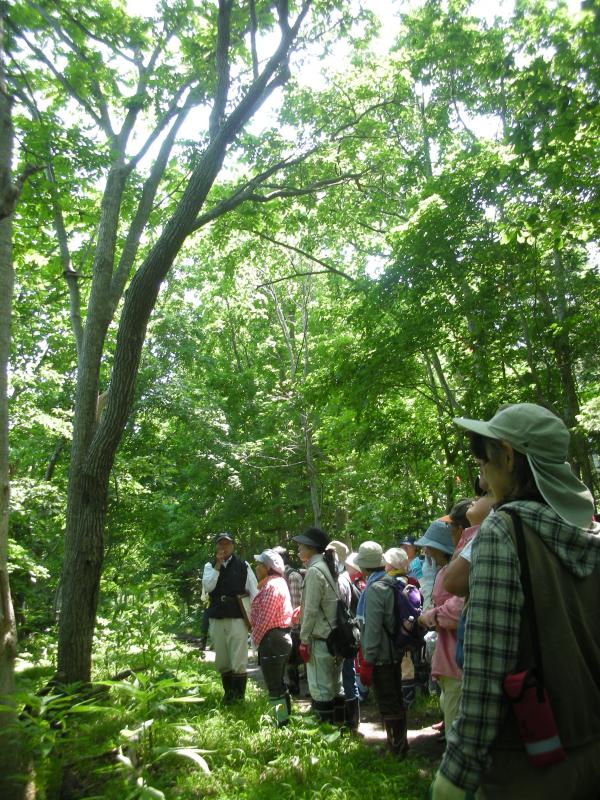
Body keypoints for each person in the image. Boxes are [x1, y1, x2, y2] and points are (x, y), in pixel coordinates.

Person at [431, 403, 600, 800]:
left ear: (507, 456)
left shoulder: (502, 533)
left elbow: (487, 668)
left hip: (527, 764)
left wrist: (455, 776)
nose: (483, 476)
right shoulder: (591, 534)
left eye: (484, 461)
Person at [355, 540, 409, 756]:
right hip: (394, 651)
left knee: (388, 701)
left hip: (382, 656)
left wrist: (367, 660)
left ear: (363, 567)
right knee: (395, 698)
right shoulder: (391, 582)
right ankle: (400, 744)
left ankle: (396, 749)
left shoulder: (375, 589)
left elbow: (373, 629)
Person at [292, 526, 343, 724]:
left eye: (301, 545)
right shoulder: (327, 566)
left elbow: (311, 610)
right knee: (333, 688)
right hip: (333, 637)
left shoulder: (314, 571)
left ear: (311, 548)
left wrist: (304, 640)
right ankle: (340, 733)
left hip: (321, 639)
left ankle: (326, 738)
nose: (298, 549)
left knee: (320, 690)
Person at [416, 521, 463, 733]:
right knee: (447, 702)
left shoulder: (456, 571)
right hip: (446, 651)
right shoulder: (443, 569)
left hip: (456, 654)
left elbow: (458, 608)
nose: (426, 551)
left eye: (430, 547)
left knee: (454, 711)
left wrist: (431, 616)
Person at [202, 532, 258, 702]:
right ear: (216, 546)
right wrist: (218, 566)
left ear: (232, 546)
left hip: (237, 617)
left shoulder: (243, 566)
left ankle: (239, 697)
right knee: (222, 659)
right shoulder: (209, 567)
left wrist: (254, 618)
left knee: (239, 657)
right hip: (217, 616)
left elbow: (254, 592)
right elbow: (208, 588)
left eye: (227, 544)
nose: (223, 547)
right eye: (220, 544)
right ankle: (228, 694)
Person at [250, 549, 293, 726]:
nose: (256, 567)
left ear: (268, 568)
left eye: (259, 564)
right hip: (277, 638)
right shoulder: (277, 583)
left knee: (274, 686)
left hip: (272, 639)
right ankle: (285, 719)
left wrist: (255, 640)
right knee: (278, 683)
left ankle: (280, 723)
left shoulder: (272, 586)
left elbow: (265, 619)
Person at [327, 539, 361, 731]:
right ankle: (352, 720)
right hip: (347, 633)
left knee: (345, 676)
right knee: (348, 674)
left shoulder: (339, 580)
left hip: (341, 635)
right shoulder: (345, 578)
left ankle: (350, 721)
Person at [273, 545, 304, 696]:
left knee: (293, 661)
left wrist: (294, 625)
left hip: (294, 626)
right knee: (287, 660)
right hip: (282, 625)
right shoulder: (279, 576)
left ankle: (295, 690)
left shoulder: (292, 576)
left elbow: (296, 604)